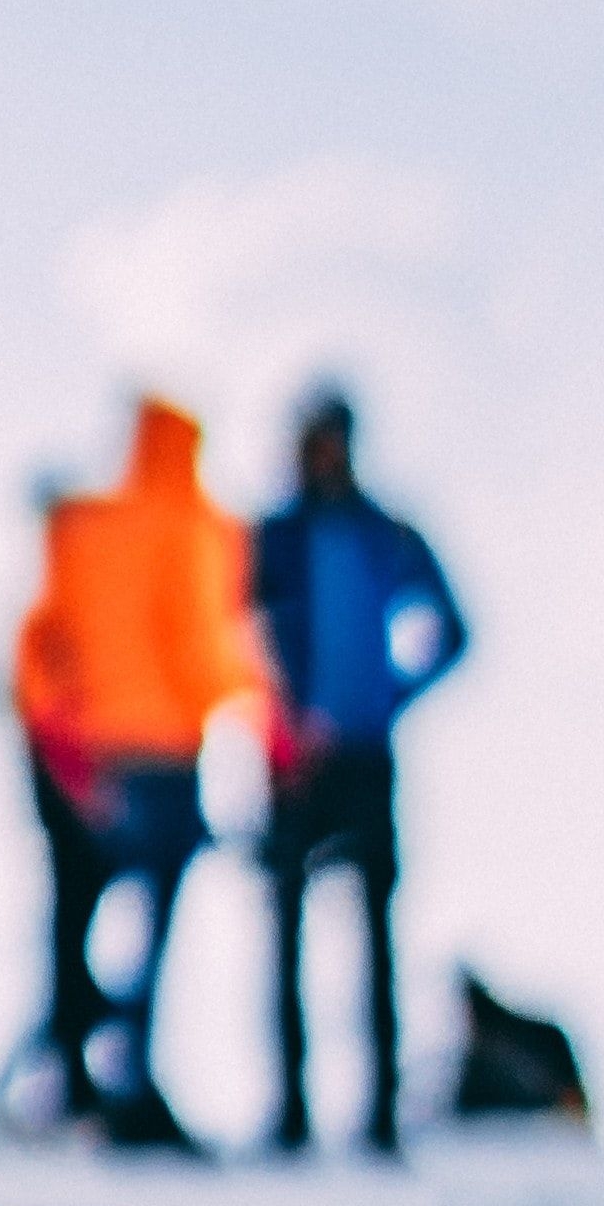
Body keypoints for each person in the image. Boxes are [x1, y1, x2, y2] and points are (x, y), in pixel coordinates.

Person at [10, 398, 261, 1147]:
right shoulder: (197, 526)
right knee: (151, 925)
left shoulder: (87, 527)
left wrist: (60, 733)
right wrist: (244, 703)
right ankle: (128, 1077)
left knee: (80, 913)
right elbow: (200, 644)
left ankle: (75, 1075)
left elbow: (41, 645)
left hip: (94, 754)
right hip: (168, 751)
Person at [247, 387, 469, 1158]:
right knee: (285, 935)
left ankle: (378, 1116)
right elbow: (232, 633)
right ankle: (291, 1112)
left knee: (375, 935)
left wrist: (389, 696)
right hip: (292, 761)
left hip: (366, 758)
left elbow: (454, 629)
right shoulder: (271, 538)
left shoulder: (386, 533)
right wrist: (278, 715)